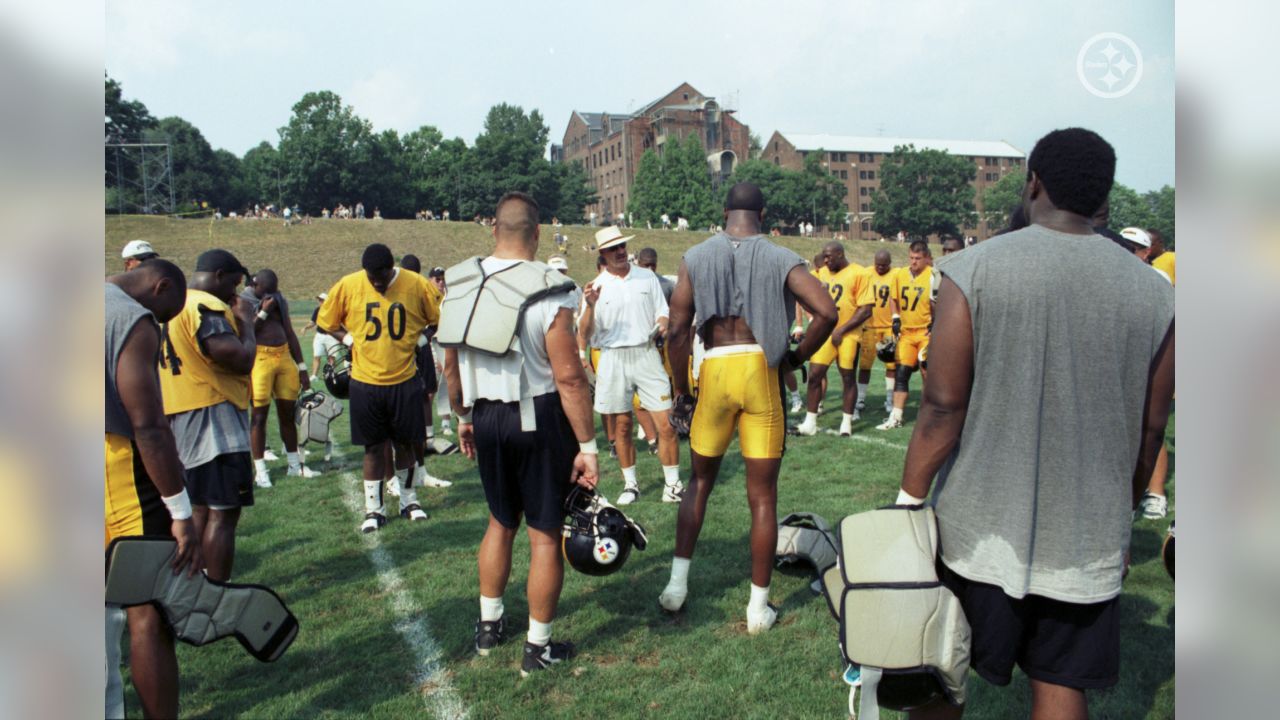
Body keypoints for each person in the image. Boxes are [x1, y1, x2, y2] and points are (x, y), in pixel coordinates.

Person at [898, 128, 1174, 720]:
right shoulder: (1157, 295)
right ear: (1104, 199)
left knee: (939, 669)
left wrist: (907, 501)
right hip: (1087, 531)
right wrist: (1122, 514)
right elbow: (1153, 430)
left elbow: (943, 407)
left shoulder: (972, 269)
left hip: (975, 527)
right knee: (1060, 683)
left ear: (1034, 182)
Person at [660, 182, 837, 633]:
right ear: (762, 212)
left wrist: (681, 390)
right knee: (762, 497)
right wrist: (795, 359)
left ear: (725, 212)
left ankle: (677, 585)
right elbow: (827, 312)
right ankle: (758, 609)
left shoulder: (695, 256)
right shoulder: (780, 256)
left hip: (716, 368)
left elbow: (678, 330)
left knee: (699, 482)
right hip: (760, 367)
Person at [442, 191, 599, 676]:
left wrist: (464, 417)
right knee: (545, 534)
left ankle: (489, 627)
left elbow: (451, 364)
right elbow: (569, 376)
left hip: (484, 415)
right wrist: (589, 447)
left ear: (493, 230)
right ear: (536, 234)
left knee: (498, 521)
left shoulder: (461, 282)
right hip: (537, 414)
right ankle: (538, 647)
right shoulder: (550, 288)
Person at [105, 259, 202, 720]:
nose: (163, 325)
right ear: (160, 286)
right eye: (166, 313)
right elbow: (147, 426)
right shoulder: (128, 318)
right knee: (148, 609)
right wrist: (180, 510)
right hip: (114, 469)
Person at [316, 243, 443, 532]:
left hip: (404, 379)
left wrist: (419, 344)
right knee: (373, 448)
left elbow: (435, 321)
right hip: (365, 381)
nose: (376, 282)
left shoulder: (415, 284)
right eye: (371, 277)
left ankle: (409, 501)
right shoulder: (348, 285)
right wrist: (348, 341)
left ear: (391, 268)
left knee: (405, 444)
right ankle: (374, 509)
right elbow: (327, 321)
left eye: (381, 277)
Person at [158, 249, 257, 582]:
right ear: (218, 275)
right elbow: (238, 358)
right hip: (213, 416)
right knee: (223, 512)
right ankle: (217, 589)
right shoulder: (205, 305)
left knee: (199, 507)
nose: (236, 292)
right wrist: (247, 324)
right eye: (234, 282)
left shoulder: (171, 307)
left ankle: (193, 584)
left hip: (180, 413)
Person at [578, 226, 682, 504]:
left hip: (646, 354)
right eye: (613, 248)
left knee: (667, 423)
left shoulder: (647, 277)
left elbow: (663, 312)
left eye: (622, 245)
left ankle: (672, 485)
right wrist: (589, 306)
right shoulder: (595, 286)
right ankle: (630, 485)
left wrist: (662, 322)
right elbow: (585, 333)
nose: (620, 251)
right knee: (622, 426)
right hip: (612, 357)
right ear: (603, 254)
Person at [242, 269, 317, 487]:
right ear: (254, 286)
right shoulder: (243, 301)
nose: (269, 296)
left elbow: (290, 331)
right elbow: (247, 332)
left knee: (287, 413)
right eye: (265, 292)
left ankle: (295, 465)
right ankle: (261, 470)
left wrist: (302, 368)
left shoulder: (278, 298)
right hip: (260, 359)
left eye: (272, 293)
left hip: (283, 355)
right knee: (259, 416)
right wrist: (264, 312)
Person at [795, 242, 874, 436]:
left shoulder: (859, 273)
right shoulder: (821, 273)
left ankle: (846, 423)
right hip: (825, 332)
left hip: (849, 333)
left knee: (847, 377)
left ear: (840, 254)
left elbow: (865, 309)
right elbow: (802, 293)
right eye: (824, 256)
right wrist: (812, 317)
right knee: (814, 375)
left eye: (829, 256)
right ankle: (810, 422)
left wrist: (842, 329)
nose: (826, 260)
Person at [877, 240, 935, 430]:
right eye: (911, 257)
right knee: (901, 374)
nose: (914, 262)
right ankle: (896, 416)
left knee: (927, 371)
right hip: (907, 333)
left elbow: (939, 301)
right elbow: (894, 298)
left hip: (925, 331)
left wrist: (936, 323)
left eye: (918, 258)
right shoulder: (901, 274)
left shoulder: (933, 275)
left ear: (926, 258)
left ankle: (929, 413)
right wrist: (895, 317)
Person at [858, 250, 900, 415]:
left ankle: (889, 400)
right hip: (870, 327)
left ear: (890, 263)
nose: (880, 268)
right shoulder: (866, 273)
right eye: (878, 264)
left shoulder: (896, 274)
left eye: (884, 265)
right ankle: (860, 398)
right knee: (865, 365)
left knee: (891, 365)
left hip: (889, 327)